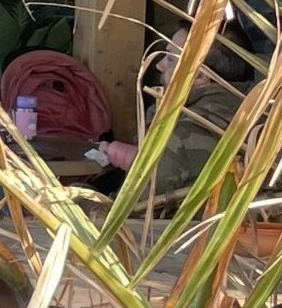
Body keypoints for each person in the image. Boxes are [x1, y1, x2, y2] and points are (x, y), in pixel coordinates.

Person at [99, 22, 253, 194]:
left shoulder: (179, 136)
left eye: (170, 59)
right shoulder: (259, 115)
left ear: (200, 76)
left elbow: (131, 205)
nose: (159, 65)